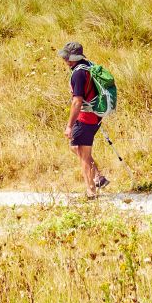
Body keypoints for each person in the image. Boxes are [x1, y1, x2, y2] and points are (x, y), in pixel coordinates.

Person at [58, 41, 108, 198]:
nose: (66, 60)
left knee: (82, 153)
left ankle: (91, 192)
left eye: (68, 57)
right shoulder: (87, 65)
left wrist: (69, 126)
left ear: (74, 57)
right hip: (95, 116)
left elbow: (77, 101)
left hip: (86, 117)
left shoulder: (78, 73)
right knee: (76, 148)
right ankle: (99, 177)